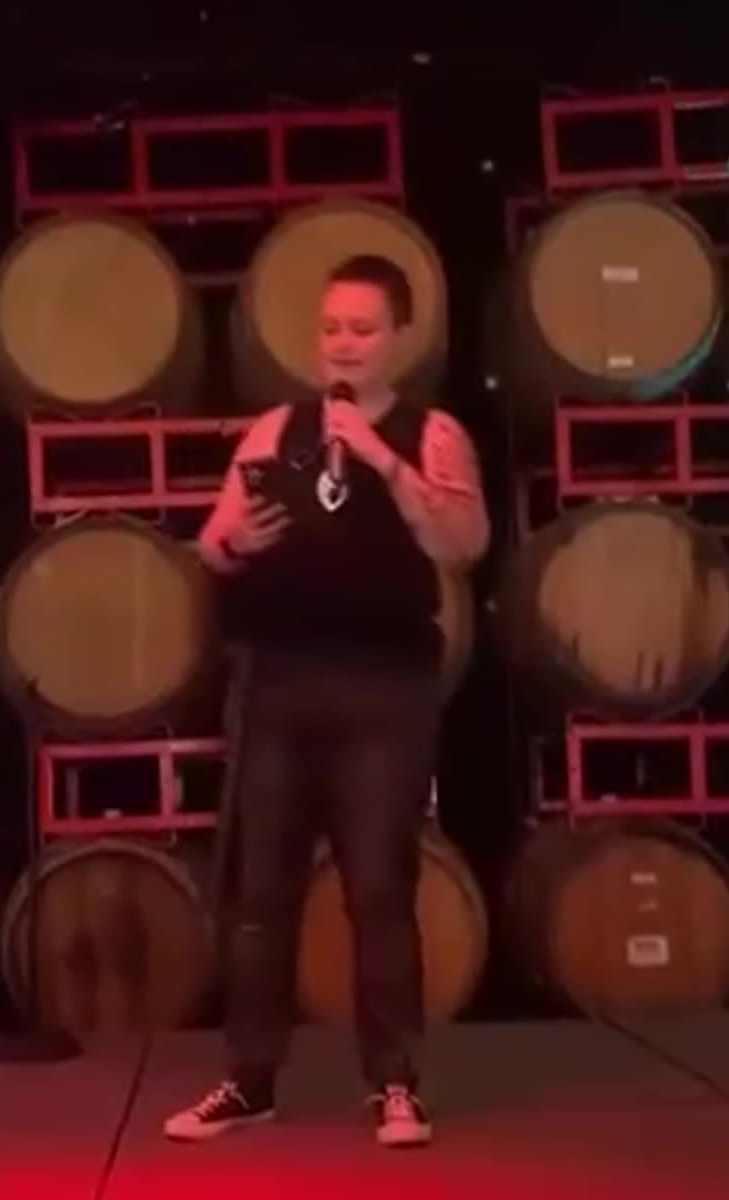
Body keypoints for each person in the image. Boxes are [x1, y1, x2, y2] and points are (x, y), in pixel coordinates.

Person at [165, 252, 490, 1147]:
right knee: (261, 893)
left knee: (379, 890)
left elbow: (464, 540)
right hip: (282, 681)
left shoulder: (431, 433)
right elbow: (213, 541)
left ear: (399, 338)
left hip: (383, 686)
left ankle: (395, 1083)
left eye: (363, 329)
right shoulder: (277, 428)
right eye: (332, 327)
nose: (344, 344)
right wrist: (235, 540)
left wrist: (381, 458)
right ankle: (249, 1079)